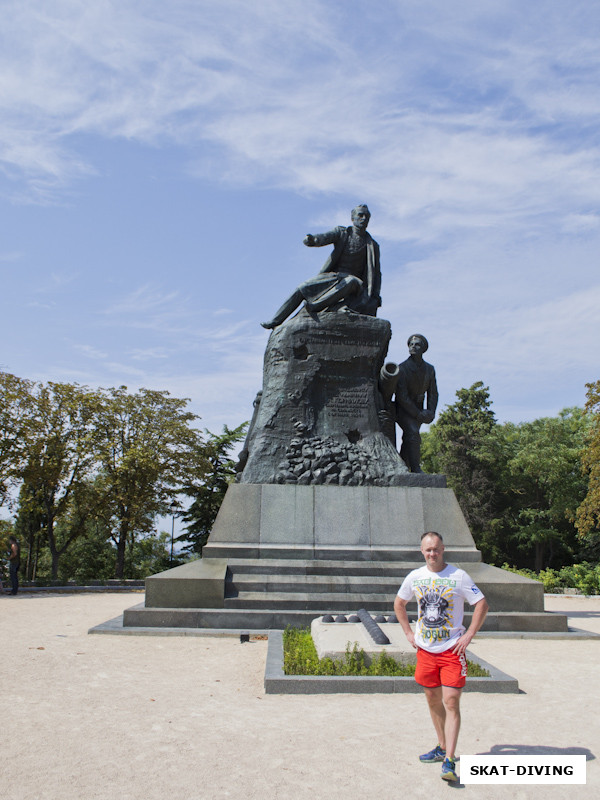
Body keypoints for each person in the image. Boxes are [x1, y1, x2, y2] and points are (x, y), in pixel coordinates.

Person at [394, 531, 489, 783]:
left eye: (436, 549)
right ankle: (441, 745)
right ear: (421, 551)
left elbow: (481, 603)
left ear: (443, 549)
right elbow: (399, 603)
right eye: (428, 550)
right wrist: (407, 632)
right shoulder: (415, 577)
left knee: (451, 701)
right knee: (432, 698)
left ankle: (449, 758)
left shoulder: (458, 576)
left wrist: (468, 635)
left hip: (450, 650)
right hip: (425, 650)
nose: (432, 554)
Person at [261, 204, 381, 328]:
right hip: (334, 276)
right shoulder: (342, 233)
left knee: (350, 281)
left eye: (366, 216)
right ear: (352, 217)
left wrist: (376, 295)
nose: (363, 218)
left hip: (356, 284)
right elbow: (325, 237)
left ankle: (315, 306)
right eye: (360, 215)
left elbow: (376, 273)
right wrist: (313, 240)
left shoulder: (372, 245)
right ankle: (276, 320)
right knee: (303, 288)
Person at [394, 334, 438, 472]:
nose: (413, 347)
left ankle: (403, 466)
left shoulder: (429, 369)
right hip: (404, 410)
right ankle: (416, 468)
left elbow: (433, 393)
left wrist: (430, 412)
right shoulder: (402, 368)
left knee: (409, 438)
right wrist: (417, 414)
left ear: (423, 349)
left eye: (417, 345)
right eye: (411, 344)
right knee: (413, 434)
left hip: (420, 410)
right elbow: (402, 396)